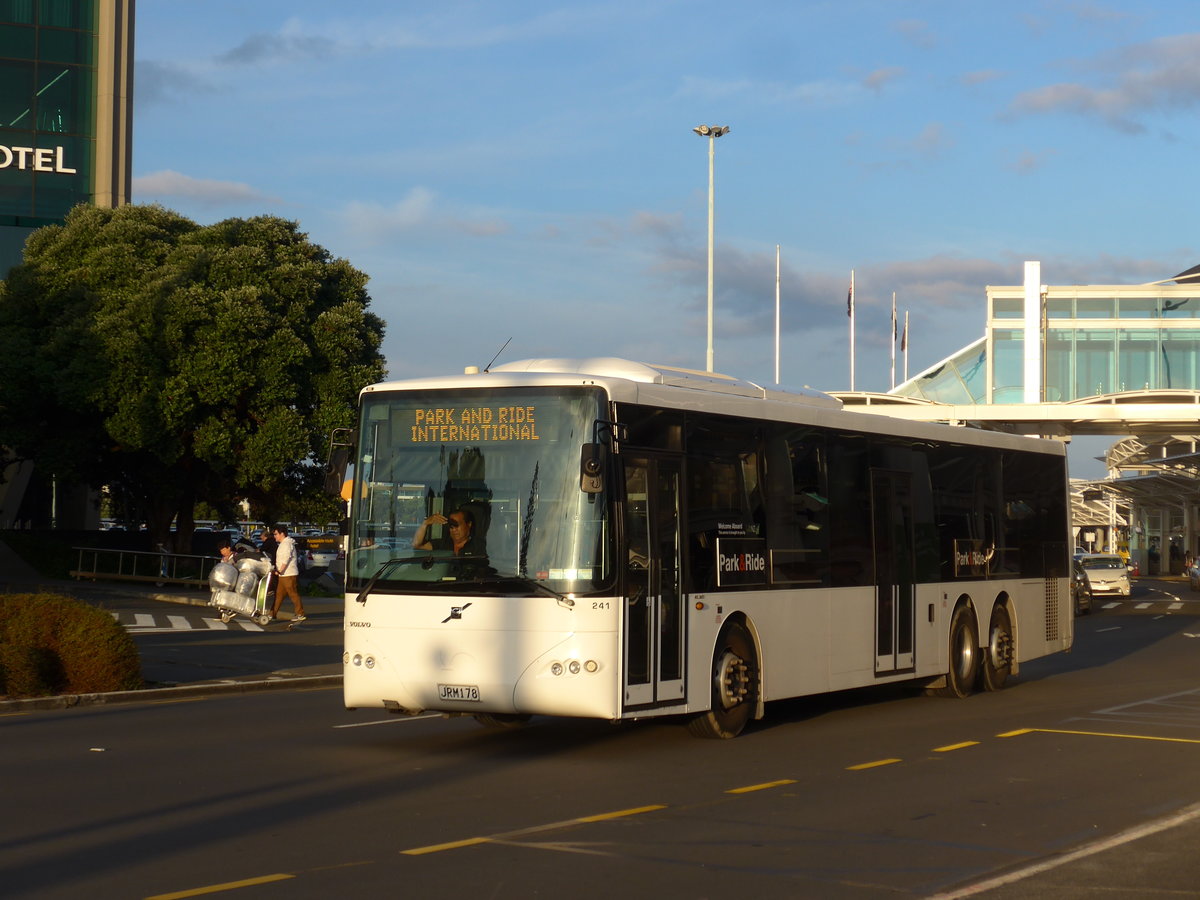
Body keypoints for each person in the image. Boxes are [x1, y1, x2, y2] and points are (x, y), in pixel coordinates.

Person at [269, 524, 307, 622]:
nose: (275, 536)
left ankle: (300, 614)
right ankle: (272, 614)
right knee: (279, 595)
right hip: (284, 574)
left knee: (292, 593)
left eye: (276, 534)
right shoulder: (283, 544)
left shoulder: (286, 544)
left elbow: (286, 559)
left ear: (282, 534)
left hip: (289, 574)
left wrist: (279, 570)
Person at [413, 508, 482, 556]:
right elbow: (417, 545)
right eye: (451, 526)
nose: (454, 530)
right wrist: (425, 523)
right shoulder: (443, 544)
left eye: (457, 525)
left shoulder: (479, 547)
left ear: (469, 524)